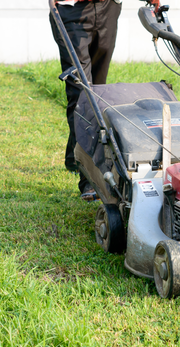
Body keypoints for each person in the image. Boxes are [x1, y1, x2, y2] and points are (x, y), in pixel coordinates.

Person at [49, 0, 123, 201]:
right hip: (72, 8)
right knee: (82, 93)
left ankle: (74, 156)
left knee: (98, 91)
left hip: (109, 7)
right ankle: (90, 180)